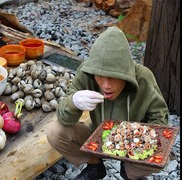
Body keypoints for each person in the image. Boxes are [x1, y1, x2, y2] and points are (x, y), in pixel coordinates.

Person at [46, 26, 169, 180]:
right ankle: (95, 166)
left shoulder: (143, 77)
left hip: (134, 143)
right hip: (98, 138)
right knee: (54, 131)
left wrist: (145, 141)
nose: (106, 85)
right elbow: (64, 117)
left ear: (125, 73)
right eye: (100, 76)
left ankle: (129, 172)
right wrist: (73, 102)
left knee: (163, 153)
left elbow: (160, 117)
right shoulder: (86, 72)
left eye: (113, 76)